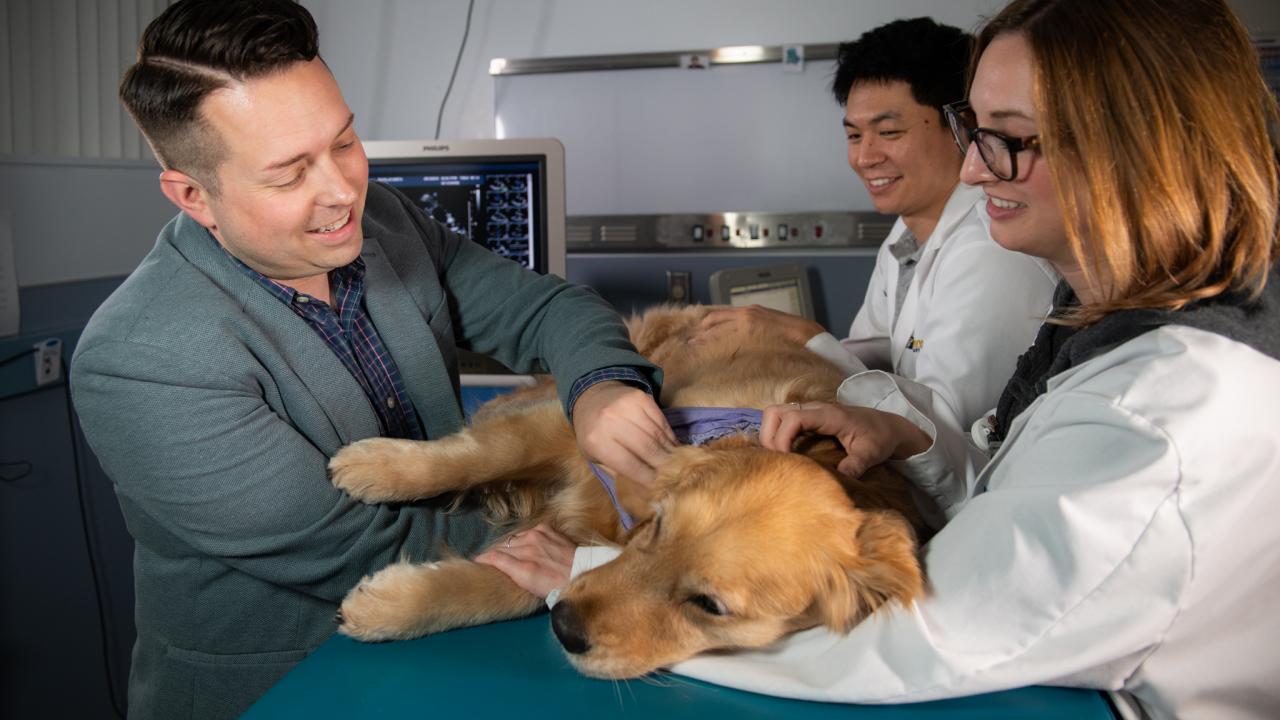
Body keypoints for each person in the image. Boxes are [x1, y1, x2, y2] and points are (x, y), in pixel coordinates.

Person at [69, 1, 675, 717]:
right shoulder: (141, 357)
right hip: (287, 682)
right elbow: (348, 547)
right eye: (290, 174)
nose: (341, 191)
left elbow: (544, 310)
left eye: (345, 142)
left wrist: (600, 386)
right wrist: (598, 553)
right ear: (194, 195)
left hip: (442, 644)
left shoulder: (385, 220)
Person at [682, 1, 1278, 717]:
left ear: (1142, 152)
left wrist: (614, 583)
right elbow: (1022, 505)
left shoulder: (1158, 414)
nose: (972, 169)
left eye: (1012, 140)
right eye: (975, 131)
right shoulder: (1116, 322)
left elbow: (918, 637)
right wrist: (917, 443)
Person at [694, 18, 1058, 518]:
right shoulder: (908, 235)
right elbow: (876, 355)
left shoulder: (995, 249)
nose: (866, 157)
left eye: (889, 132)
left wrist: (808, 338)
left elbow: (943, 440)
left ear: (962, 127)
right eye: (854, 135)